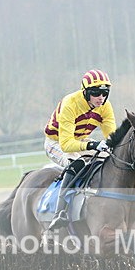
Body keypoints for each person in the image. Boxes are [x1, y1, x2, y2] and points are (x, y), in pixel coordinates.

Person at [44, 69, 116, 230]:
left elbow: (112, 136)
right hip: (56, 142)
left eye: (105, 93)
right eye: (96, 93)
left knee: (106, 159)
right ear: (86, 92)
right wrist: (93, 145)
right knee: (76, 164)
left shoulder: (105, 106)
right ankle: (59, 212)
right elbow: (67, 144)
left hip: (81, 140)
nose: (101, 98)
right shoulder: (70, 103)